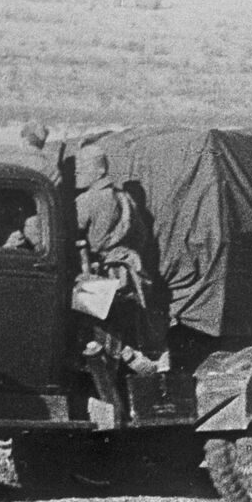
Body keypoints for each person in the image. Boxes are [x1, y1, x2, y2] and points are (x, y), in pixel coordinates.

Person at [72, 145, 166, 378]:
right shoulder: (124, 199)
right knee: (121, 327)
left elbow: (71, 235)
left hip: (100, 274)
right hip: (129, 271)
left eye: (82, 168)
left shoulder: (86, 200)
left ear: (99, 170)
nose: (77, 173)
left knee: (99, 332)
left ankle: (123, 371)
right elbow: (142, 236)